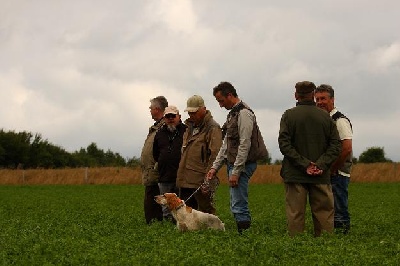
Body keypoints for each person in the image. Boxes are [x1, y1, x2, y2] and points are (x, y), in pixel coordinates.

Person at [278, 81, 341, 237]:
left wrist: (305, 164)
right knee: (324, 214)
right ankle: (326, 249)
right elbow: (335, 145)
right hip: (321, 175)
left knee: (295, 214)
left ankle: (296, 248)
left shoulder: (288, 115)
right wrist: (320, 165)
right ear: (313, 95)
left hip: (294, 173)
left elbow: (284, 145)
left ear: (296, 95)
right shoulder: (326, 117)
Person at [207, 81, 268, 233]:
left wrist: (236, 171)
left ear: (230, 95)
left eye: (221, 100)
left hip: (242, 165)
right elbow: (226, 145)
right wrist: (215, 167)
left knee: (238, 203)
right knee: (235, 202)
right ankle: (242, 235)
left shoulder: (244, 113)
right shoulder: (233, 113)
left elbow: (245, 144)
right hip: (234, 164)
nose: (220, 105)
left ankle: (245, 238)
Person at [315, 84, 353, 234]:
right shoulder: (325, 119)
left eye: (323, 98)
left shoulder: (340, 120)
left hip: (338, 173)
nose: (320, 102)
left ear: (332, 99)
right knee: (330, 208)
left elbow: (347, 148)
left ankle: (343, 236)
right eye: (317, 99)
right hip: (330, 172)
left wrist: (334, 168)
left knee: (339, 209)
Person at [176, 95, 222, 215]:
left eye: (194, 112)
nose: (191, 115)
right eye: (189, 112)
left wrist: (208, 179)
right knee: (187, 213)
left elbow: (215, 154)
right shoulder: (189, 127)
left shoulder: (213, 127)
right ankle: (191, 233)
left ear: (203, 109)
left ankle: (211, 232)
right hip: (186, 177)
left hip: (201, 179)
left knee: (206, 212)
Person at [153, 105, 187, 221]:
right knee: (166, 208)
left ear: (179, 117)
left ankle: (182, 228)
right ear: (164, 118)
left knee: (181, 206)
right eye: (168, 116)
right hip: (164, 176)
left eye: (173, 116)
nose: (171, 118)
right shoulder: (159, 133)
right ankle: (168, 229)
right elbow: (155, 153)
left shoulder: (186, 131)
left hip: (182, 176)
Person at [140, 96, 168, 224]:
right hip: (150, 174)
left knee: (155, 207)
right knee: (150, 205)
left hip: (156, 174)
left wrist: (156, 167)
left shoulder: (164, 127)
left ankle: (157, 226)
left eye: (151, 108)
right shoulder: (156, 127)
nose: (150, 110)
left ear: (157, 109)